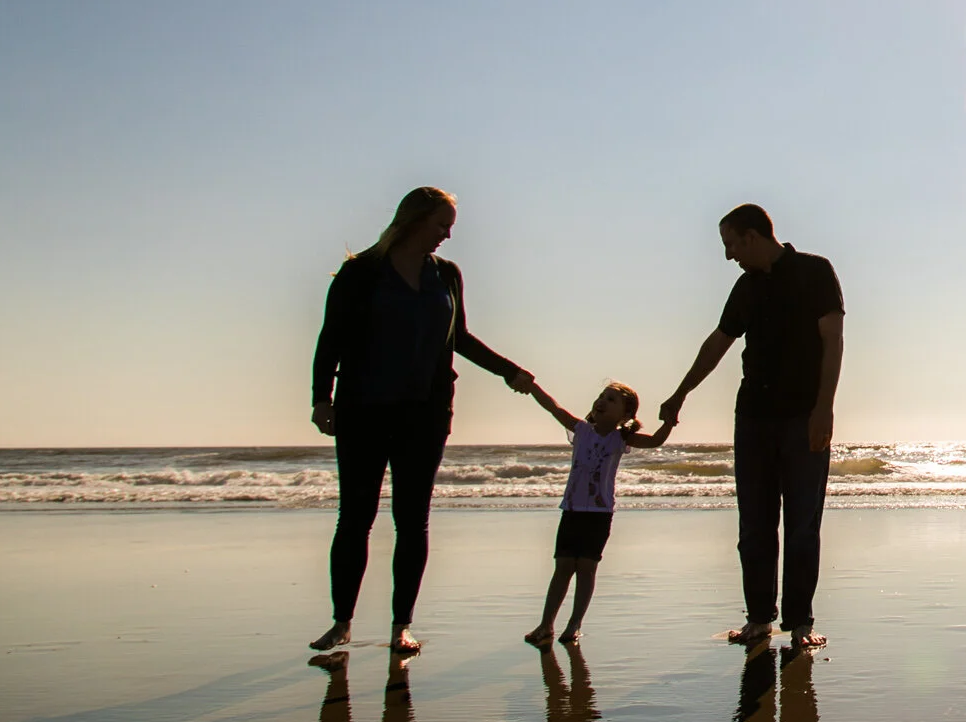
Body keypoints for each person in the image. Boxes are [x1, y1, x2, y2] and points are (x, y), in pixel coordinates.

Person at [309, 187, 536, 655]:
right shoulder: (361, 273)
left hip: (426, 411)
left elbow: (461, 339)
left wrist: (509, 371)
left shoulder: (447, 276)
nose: (446, 236)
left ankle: (401, 627)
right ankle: (342, 622)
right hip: (363, 407)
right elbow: (331, 338)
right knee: (355, 518)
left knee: (412, 521)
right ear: (413, 220)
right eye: (440, 225)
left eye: (449, 227)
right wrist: (321, 399)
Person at [658, 204, 843, 649]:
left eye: (731, 244)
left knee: (802, 526)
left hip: (803, 416)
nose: (728, 256)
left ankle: (800, 624)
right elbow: (718, 343)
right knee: (755, 525)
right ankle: (759, 619)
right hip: (754, 419)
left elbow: (832, 340)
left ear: (753, 237)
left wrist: (824, 408)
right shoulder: (745, 287)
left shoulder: (815, 271)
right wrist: (681, 392)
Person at [524, 380, 676, 646]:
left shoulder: (621, 438)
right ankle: (546, 623)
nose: (602, 401)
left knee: (586, 568)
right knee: (562, 567)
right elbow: (553, 407)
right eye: (602, 396)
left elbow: (655, 441)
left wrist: (669, 421)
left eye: (611, 400)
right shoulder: (581, 429)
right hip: (571, 510)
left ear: (626, 415)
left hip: (599, 513)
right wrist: (532, 386)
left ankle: (574, 623)